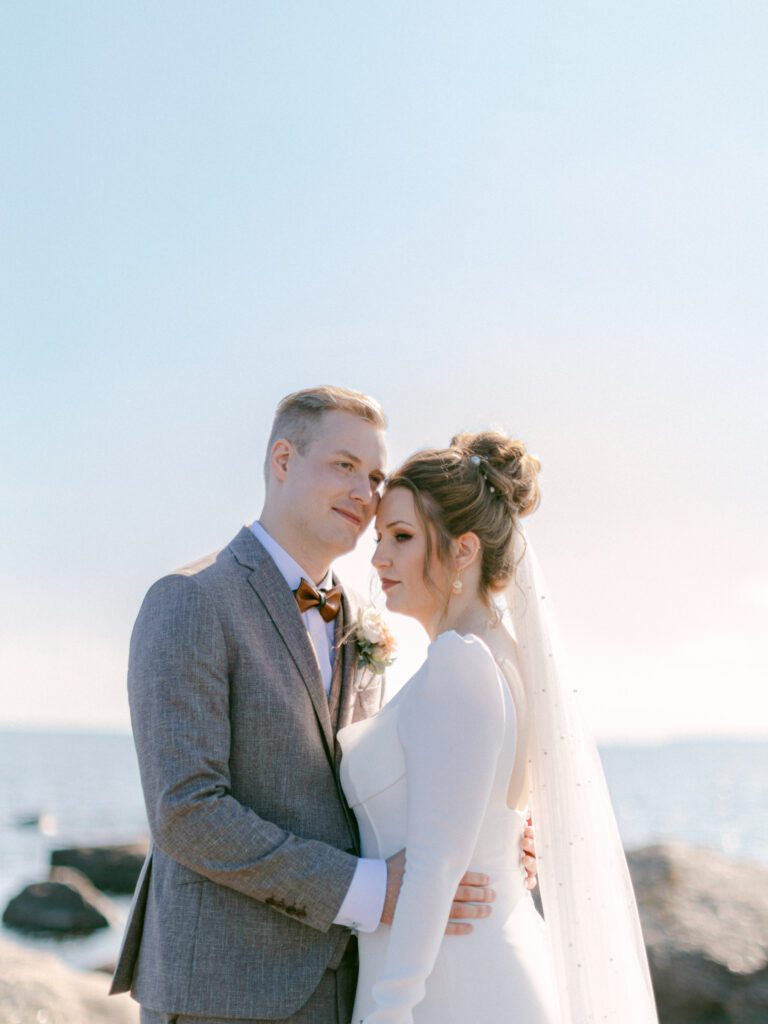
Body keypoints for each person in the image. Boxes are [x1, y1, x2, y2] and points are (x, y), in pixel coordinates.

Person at [110, 387, 537, 1024]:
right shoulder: (191, 600)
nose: (365, 493)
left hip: (348, 984)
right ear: (283, 460)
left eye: (375, 477)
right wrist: (371, 890)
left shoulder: (367, 617)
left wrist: (490, 835)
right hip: (224, 993)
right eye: (345, 466)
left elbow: (393, 779)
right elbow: (186, 810)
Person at [339, 431, 659, 1023]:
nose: (379, 557)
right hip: (484, 967)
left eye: (402, 537)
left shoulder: (461, 662)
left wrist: (391, 1006)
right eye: (380, 537)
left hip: (448, 989)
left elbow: (435, 862)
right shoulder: (507, 657)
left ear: (464, 550)